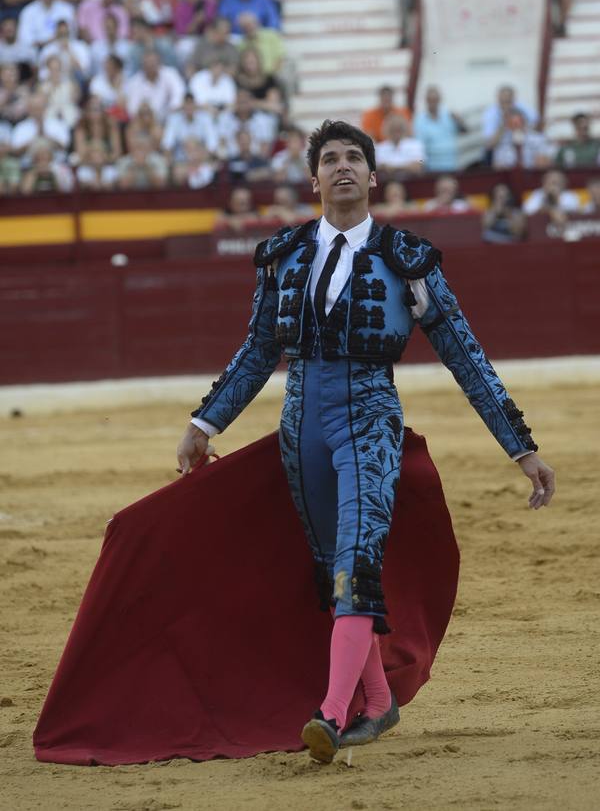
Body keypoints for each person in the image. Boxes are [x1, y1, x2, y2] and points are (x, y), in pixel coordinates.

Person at [176, 119, 555, 764]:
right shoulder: (284, 255)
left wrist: (520, 446)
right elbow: (257, 353)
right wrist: (204, 423)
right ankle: (378, 703)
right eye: (330, 158)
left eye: (355, 157)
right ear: (314, 177)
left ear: (373, 177)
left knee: (355, 556)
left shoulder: (408, 258)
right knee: (332, 568)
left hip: (370, 420)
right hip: (302, 428)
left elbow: (465, 355)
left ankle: (330, 712)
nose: (343, 166)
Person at [413, 85, 465, 172]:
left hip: (452, 162)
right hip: (431, 165)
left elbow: (464, 131)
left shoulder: (449, 114)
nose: (433, 102)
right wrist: (421, 164)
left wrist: (459, 121)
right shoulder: (419, 119)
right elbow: (419, 146)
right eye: (431, 100)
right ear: (426, 100)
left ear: (440, 100)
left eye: (435, 99)